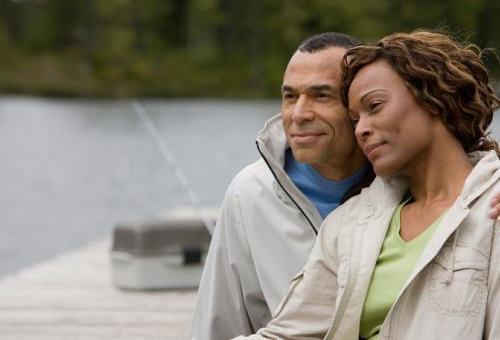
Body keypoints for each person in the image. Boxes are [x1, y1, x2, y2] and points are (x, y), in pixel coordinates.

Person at [234, 30, 500, 339]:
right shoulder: (349, 225)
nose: (361, 129)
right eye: (354, 118)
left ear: (433, 99)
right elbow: (286, 335)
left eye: (374, 106)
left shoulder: (492, 210)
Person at [192, 33, 375, 339]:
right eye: (290, 96)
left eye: (321, 95)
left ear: (358, 105)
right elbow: (218, 323)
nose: (298, 114)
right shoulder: (249, 193)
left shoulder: (402, 184)